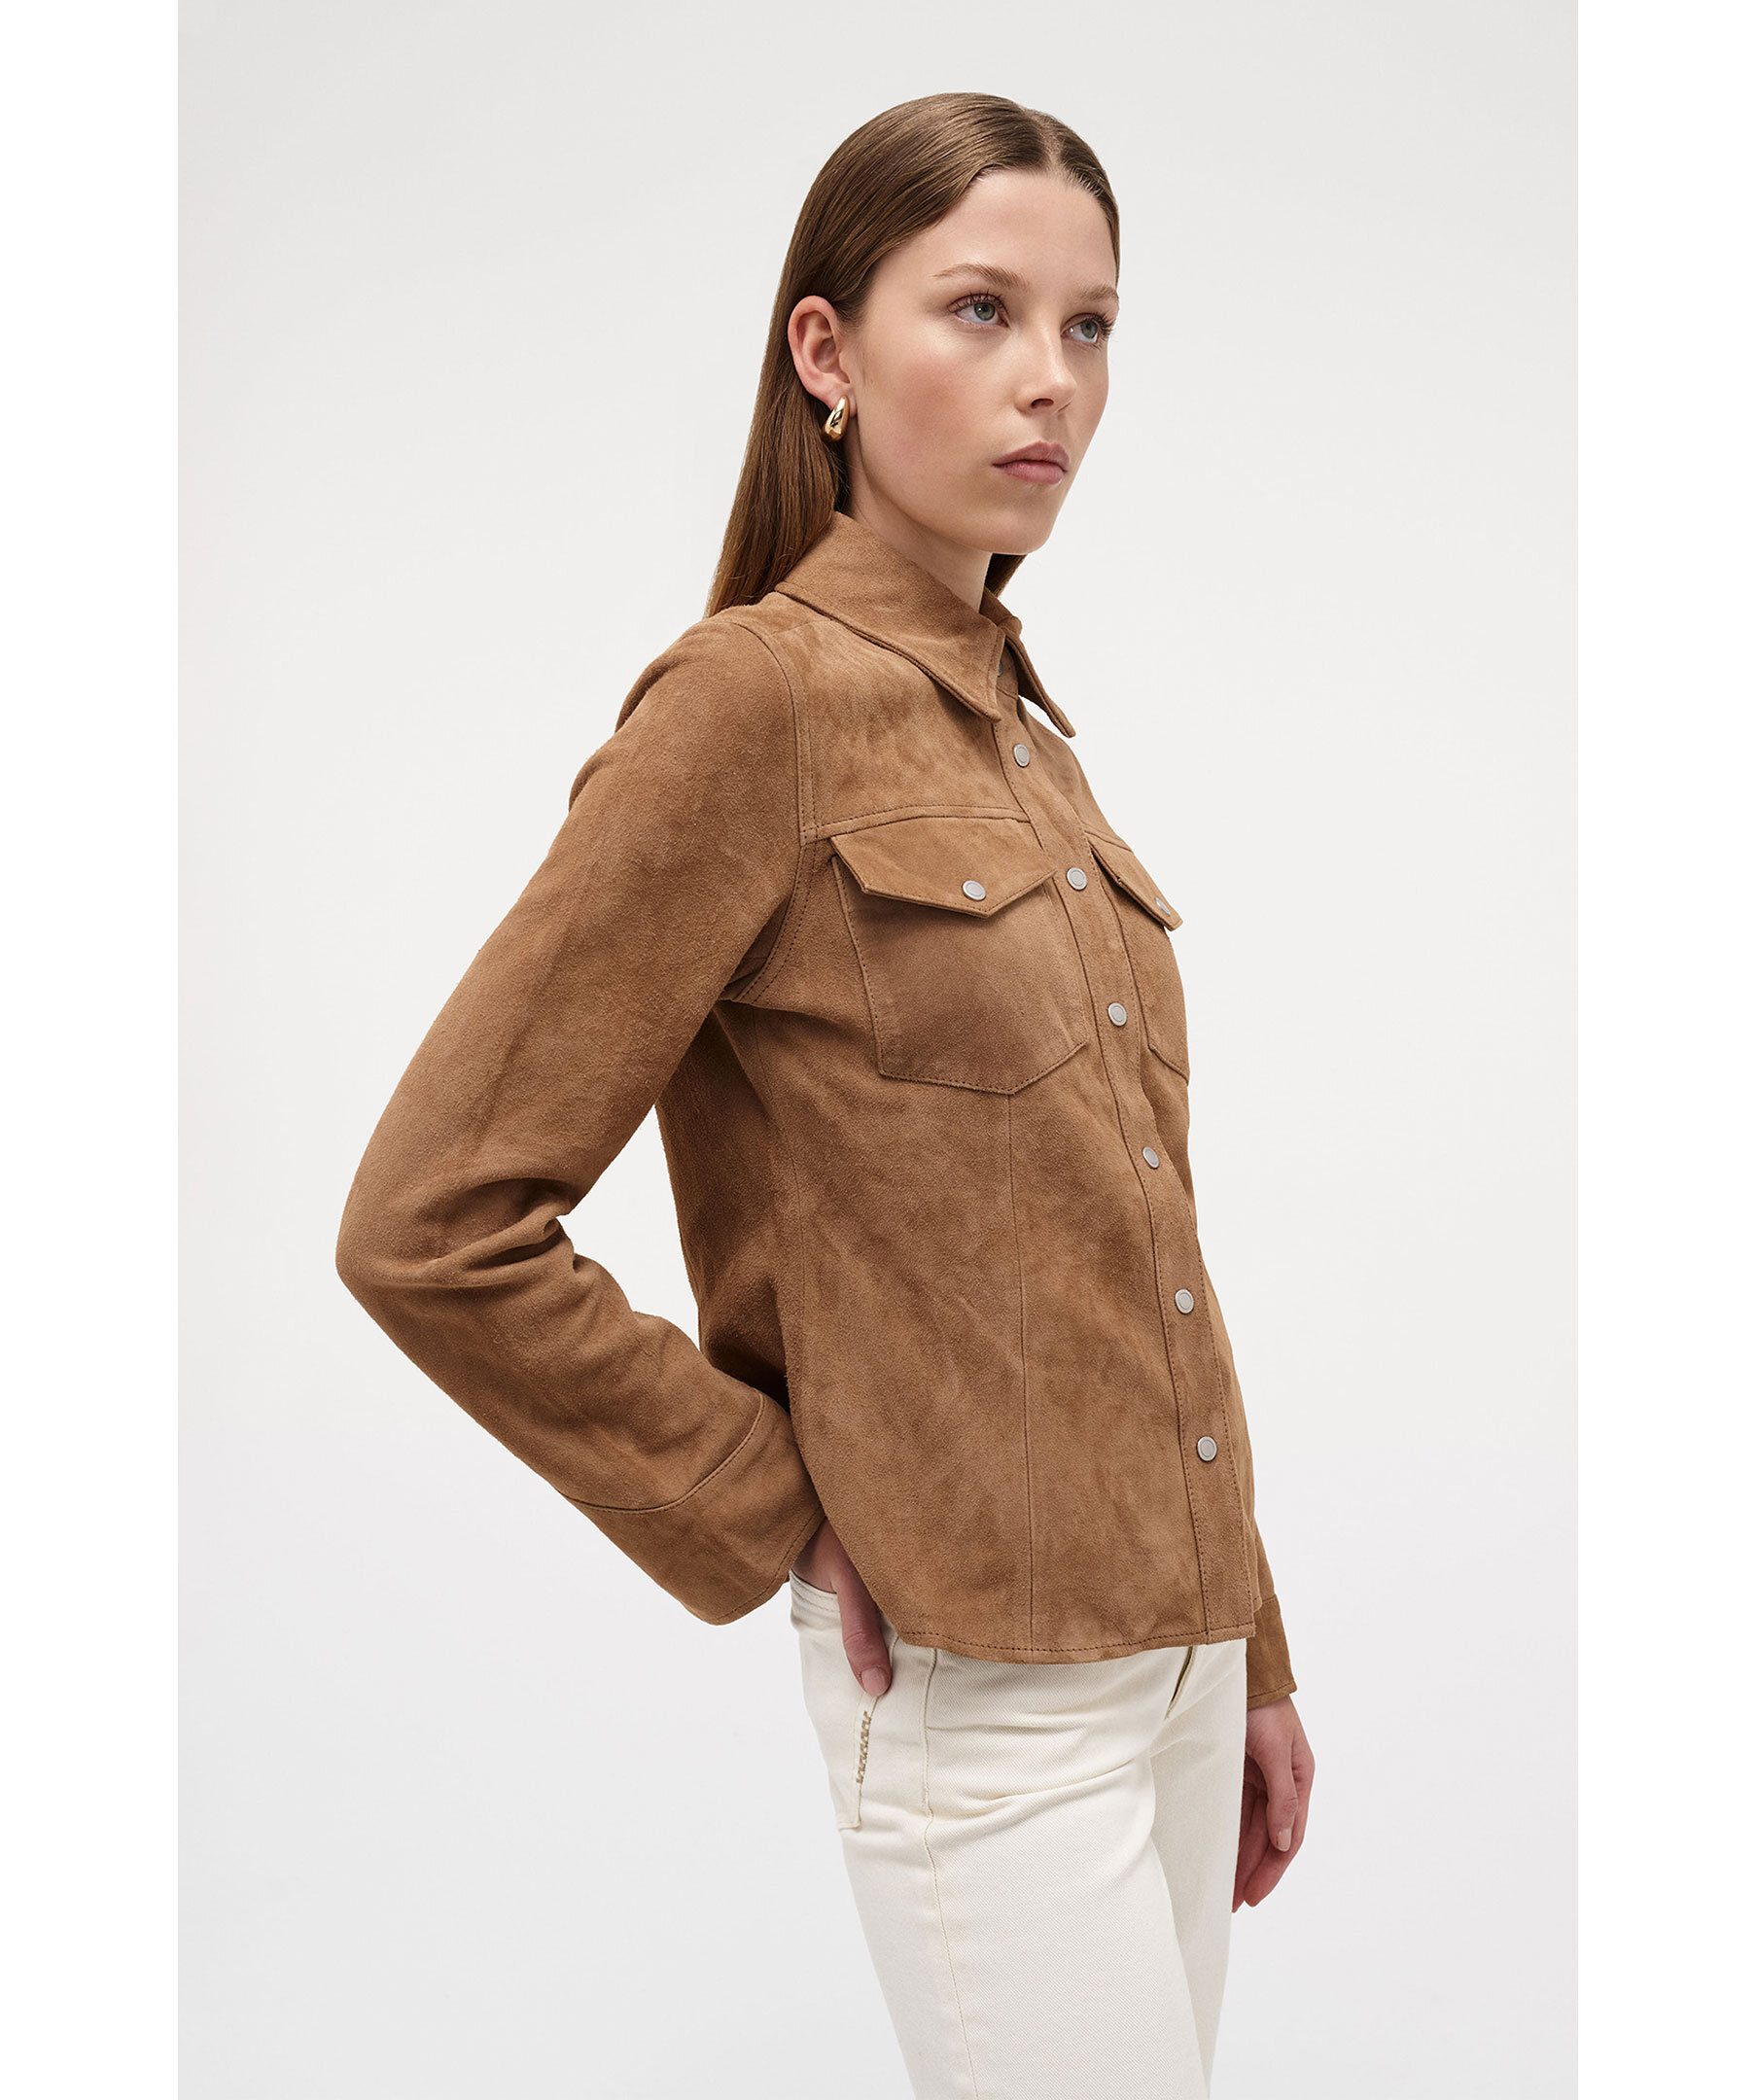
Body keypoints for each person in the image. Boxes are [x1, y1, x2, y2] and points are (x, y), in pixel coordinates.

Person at [336, 89, 1314, 2100]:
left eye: (1091, 326)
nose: (1051, 380)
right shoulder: (749, 709)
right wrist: (776, 1508)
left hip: (1176, 1674)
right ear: (825, 353)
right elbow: (430, 1225)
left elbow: (1127, 1243)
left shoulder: (1029, 742)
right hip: (978, 1693)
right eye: (981, 309)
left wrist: (1252, 1649)